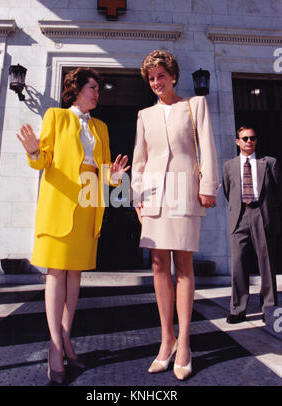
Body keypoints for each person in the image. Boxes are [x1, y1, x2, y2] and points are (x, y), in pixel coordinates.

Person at [16, 67, 129, 384]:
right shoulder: (55, 116)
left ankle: (66, 338)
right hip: (59, 203)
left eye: (97, 88)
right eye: (92, 87)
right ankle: (55, 348)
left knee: (75, 274)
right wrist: (33, 150)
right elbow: (44, 161)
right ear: (76, 89)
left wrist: (116, 180)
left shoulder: (102, 128)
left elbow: (106, 174)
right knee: (56, 273)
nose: (97, 93)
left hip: (87, 204)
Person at [131, 50, 219, 380]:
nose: (156, 82)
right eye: (151, 78)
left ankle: (184, 343)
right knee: (157, 264)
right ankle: (165, 340)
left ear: (173, 75)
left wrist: (208, 186)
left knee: (183, 264)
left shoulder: (195, 105)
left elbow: (206, 147)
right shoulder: (144, 116)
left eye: (161, 75)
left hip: (185, 191)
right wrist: (136, 198)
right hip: (152, 196)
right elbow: (139, 162)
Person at [223, 126, 282, 324]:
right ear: (237, 141)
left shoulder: (269, 163)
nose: (249, 141)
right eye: (245, 138)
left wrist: (270, 215)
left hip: (261, 215)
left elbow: (276, 192)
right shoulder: (229, 166)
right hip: (239, 217)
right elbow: (227, 191)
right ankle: (238, 309)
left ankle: (269, 308)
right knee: (238, 263)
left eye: (252, 138)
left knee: (267, 263)